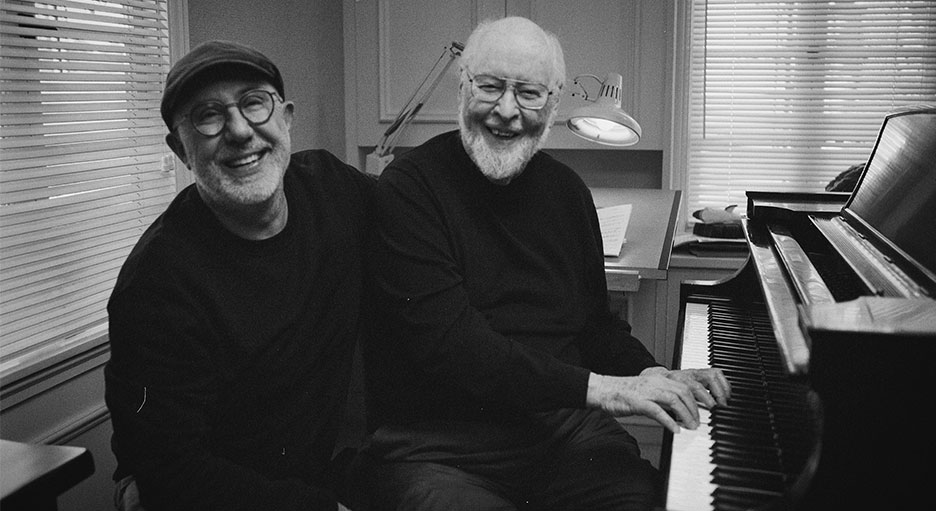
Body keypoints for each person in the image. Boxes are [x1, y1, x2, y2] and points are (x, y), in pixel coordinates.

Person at [360, 17, 731, 511]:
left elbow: (595, 328)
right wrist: (604, 390)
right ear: (463, 87)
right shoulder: (408, 190)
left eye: (529, 93)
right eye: (490, 87)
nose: (507, 111)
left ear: (553, 105)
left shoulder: (566, 192)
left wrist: (655, 373)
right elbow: (453, 347)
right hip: (439, 449)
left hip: (563, 434)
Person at [104, 40, 374, 511]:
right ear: (180, 149)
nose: (238, 130)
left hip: (321, 471)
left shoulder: (333, 189)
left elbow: (422, 215)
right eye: (207, 115)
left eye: (254, 102)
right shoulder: (155, 286)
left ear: (286, 118)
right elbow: (171, 468)